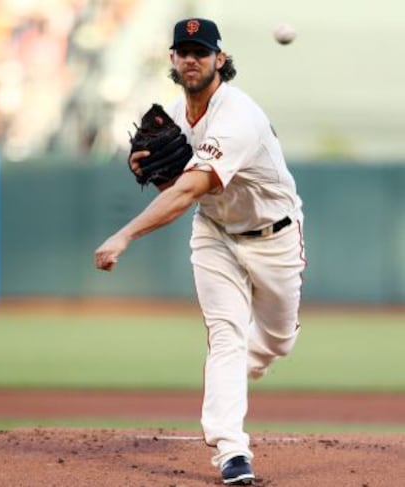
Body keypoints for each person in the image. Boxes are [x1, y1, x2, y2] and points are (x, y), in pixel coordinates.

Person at [95, 17, 306, 486]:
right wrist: (149, 167)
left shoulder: (237, 116)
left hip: (275, 237)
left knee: (277, 342)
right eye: (183, 50)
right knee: (226, 334)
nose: (192, 58)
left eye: (201, 51)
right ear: (172, 59)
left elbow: (189, 189)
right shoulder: (174, 113)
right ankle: (232, 451)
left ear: (220, 60)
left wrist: (124, 234)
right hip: (214, 235)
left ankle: (239, 371)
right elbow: (182, 186)